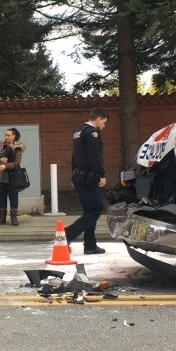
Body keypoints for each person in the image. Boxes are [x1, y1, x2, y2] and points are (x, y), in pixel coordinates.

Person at [65, 107, 108, 254]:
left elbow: (74, 155)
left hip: (79, 175)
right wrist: (101, 175)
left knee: (90, 210)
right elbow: (95, 156)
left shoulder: (78, 132)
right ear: (98, 119)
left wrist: (73, 173)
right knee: (96, 209)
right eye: (104, 122)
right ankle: (67, 234)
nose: (104, 126)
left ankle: (90, 245)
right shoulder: (92, 132)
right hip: (88, 177)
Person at [0, 127, 25, 226]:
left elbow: (17, 163)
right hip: (1, 176)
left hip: (13, 175)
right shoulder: (0, 146)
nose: (6, 137)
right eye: (5, 135)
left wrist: (5, 166)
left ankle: (14, 218)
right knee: (1, 196)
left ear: (14, 136)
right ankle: (2, 218)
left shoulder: (17, 148)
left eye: (8, 135)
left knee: (13, 196)